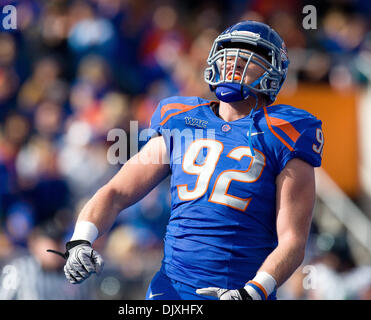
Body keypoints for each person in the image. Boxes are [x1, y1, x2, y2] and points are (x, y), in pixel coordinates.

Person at [49, 20, 324, 300]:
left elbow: (293, 240)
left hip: (237, 290)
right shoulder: (182, 119)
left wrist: (254, 291)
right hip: (170, 289)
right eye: (229, 52)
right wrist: (81, 239)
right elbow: (116, 191)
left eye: (248, 55)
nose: (234, 62)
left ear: (273, 70)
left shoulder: (287, 130)